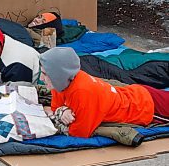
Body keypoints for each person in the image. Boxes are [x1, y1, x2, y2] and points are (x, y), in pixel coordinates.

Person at [40, 47, 169, 138]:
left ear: (58, 74)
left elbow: (79, 133)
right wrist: (62, 111)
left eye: (45, 74)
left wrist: (59, 115)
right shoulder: (61, 83)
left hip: (145, 106)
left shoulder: (83, 91)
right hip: (136, 94)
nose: (41, 79)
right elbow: (55, 107)